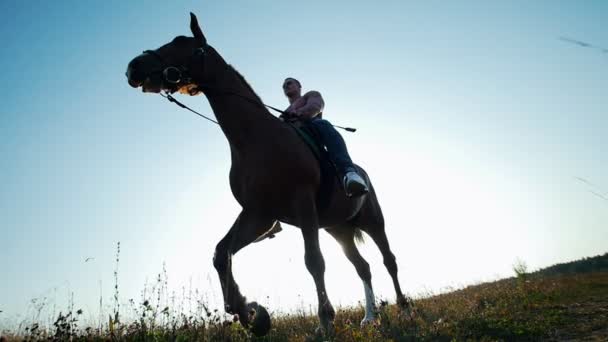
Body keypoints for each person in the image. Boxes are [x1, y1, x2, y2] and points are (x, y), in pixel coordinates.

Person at [281, 77, 369, 198]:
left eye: (289, 83)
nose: (286, 86)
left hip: (311, 132)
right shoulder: (283, 113)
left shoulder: (311, 95)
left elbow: (315, 106)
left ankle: (349, 173)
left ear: (299, 86)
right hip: (292, 138)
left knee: (322, 123)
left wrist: (299, 112)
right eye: (284, 85)